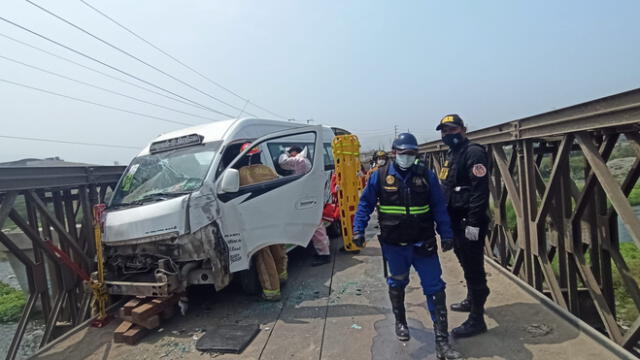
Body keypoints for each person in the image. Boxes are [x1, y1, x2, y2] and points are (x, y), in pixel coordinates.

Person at [352, 133, 462, 359]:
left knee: (436, 289)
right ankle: (400, 321)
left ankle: (442, 341)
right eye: (403, 153)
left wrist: (446, 234)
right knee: (398, 282)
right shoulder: (380, 177)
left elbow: (439, 207)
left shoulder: (426, 176)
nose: (407, 157)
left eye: (412, 153)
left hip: (423, 244)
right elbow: (365, 204)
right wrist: (358, 229)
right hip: (395, 246)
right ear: (394, 153)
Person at [436, 114, 490, 338]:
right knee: (465, 262)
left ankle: (477, 320)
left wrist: (474, 225)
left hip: (469, 221)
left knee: (474, 267)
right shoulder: (452, 154)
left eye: (452, 129)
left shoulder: (474, 152)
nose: (448, 134)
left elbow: (479, 192)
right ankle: (472, 299)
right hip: (456, 221)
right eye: (444, 131)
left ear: (463, 129)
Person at [238, 142, 288, 301]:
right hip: (272, 216)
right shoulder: (268, 170)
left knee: (263, 255)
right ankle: (282, 276)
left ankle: (271, 291)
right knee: (277, 248)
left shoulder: (240, 173)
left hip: (254, 220)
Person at [279, 146, 331, 266]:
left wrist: (283, 154)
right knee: (316, 226)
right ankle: (323, 252)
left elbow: (283, 162)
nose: (290, 155)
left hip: (308, 198)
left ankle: (324, 254)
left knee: (316, 226)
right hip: (309, 197)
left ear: (296, 152)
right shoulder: (304, 161)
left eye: (291, 153)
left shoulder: (301, 160)